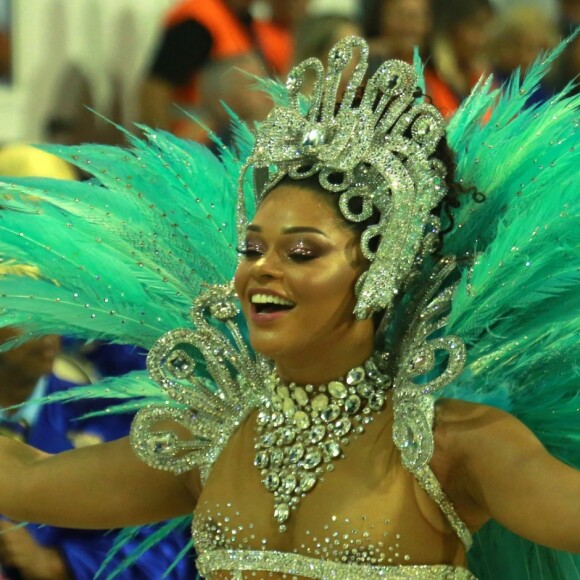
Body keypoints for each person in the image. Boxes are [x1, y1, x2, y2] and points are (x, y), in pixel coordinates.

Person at [0, 35, 578, 579]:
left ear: (381, 269)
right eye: (252, 249)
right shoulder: (211, 438)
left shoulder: (450, 446)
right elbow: (25, 479)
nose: (262, 270)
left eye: (302, 252)